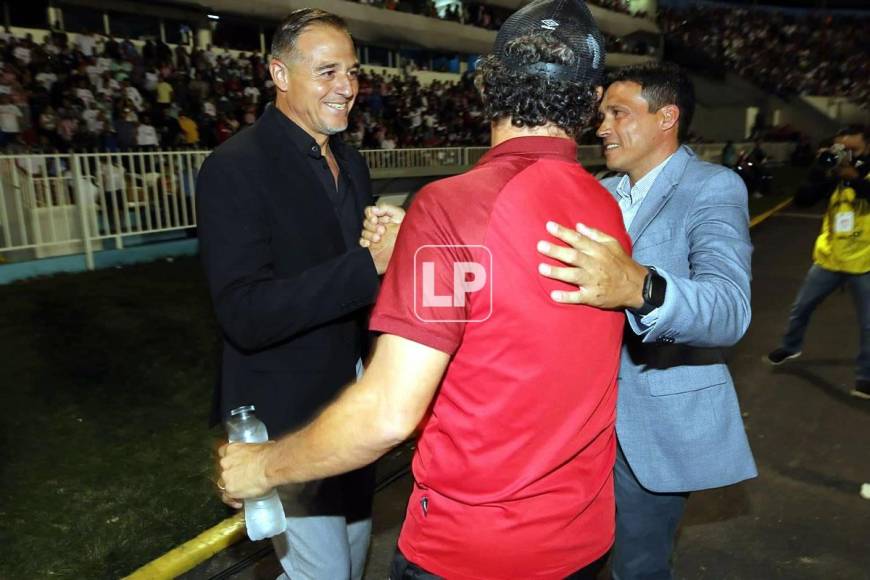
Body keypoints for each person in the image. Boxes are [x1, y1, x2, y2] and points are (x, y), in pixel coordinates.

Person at [220, 1, 630, 578]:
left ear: (486, 86)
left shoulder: (451, 207)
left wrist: (261, 468)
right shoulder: (606, 206)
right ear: (591, 104)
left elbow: (389, 412)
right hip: (581, 539)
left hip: (473, 548)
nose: (346, 86)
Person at [196, 9, 398, 580]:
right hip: (283, 415)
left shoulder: (352, 161)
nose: (347, 88)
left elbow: (356, 277)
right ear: (279, 75)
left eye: (352, 72)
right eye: (328, 71)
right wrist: (368, 265)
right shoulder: (234, 168)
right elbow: (244, 314)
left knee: (354, 560)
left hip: (349, 408)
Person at [536, 63, 756, 579]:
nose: (602, 126)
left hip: (649, 427)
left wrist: (640, 287)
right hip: (574, 419)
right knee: (565, 558)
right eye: (602, 113)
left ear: (667, 117)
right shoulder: (596, 189)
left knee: (637, 567)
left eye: (619, 113)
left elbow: (729, 308)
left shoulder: (712, 187)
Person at [765, 126, 870, 399]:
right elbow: (803, 199)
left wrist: (854, 178)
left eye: (849, 146)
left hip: (864, 259)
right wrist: (820, 171)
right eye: (838, 147)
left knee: (869, 324)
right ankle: (791, 346)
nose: (842, 151)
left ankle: (865, 377)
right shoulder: (834, 171)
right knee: (801, 307)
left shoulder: (860, 171)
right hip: (830, 256)